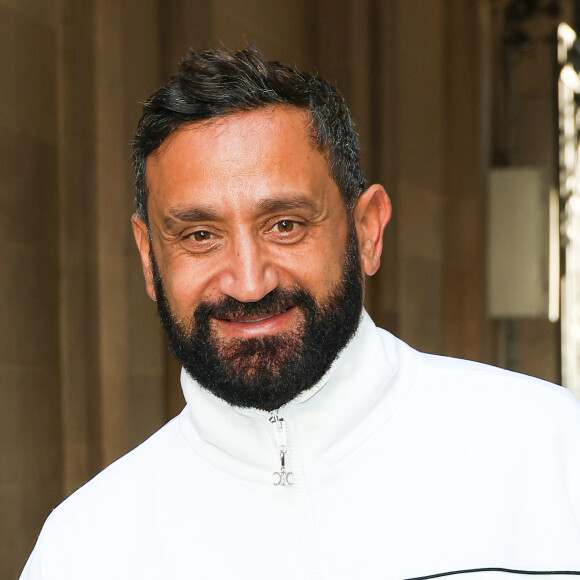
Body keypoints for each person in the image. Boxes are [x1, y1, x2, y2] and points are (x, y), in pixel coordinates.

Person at [21, 47, 580, 580]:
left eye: (285, 225)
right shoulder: (84, 549)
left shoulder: (552, 457)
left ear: (367, 230)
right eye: (199, 235)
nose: (247, 282)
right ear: (149, 258)